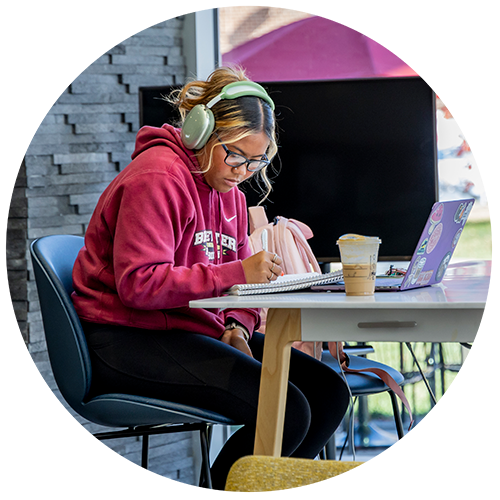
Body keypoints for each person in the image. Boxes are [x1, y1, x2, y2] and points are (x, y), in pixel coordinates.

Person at [71, 66, 350, 492]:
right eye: (235, 154)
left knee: (328, 392)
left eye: (257, 160)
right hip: (124, 340)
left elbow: (242, 290)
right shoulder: (157, 178)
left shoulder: (231, 198)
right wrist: (238, 272)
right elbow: (139, 283)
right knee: (287, 411)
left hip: (190, 331)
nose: (243, 170)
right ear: (201, 134)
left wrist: (238, 324)